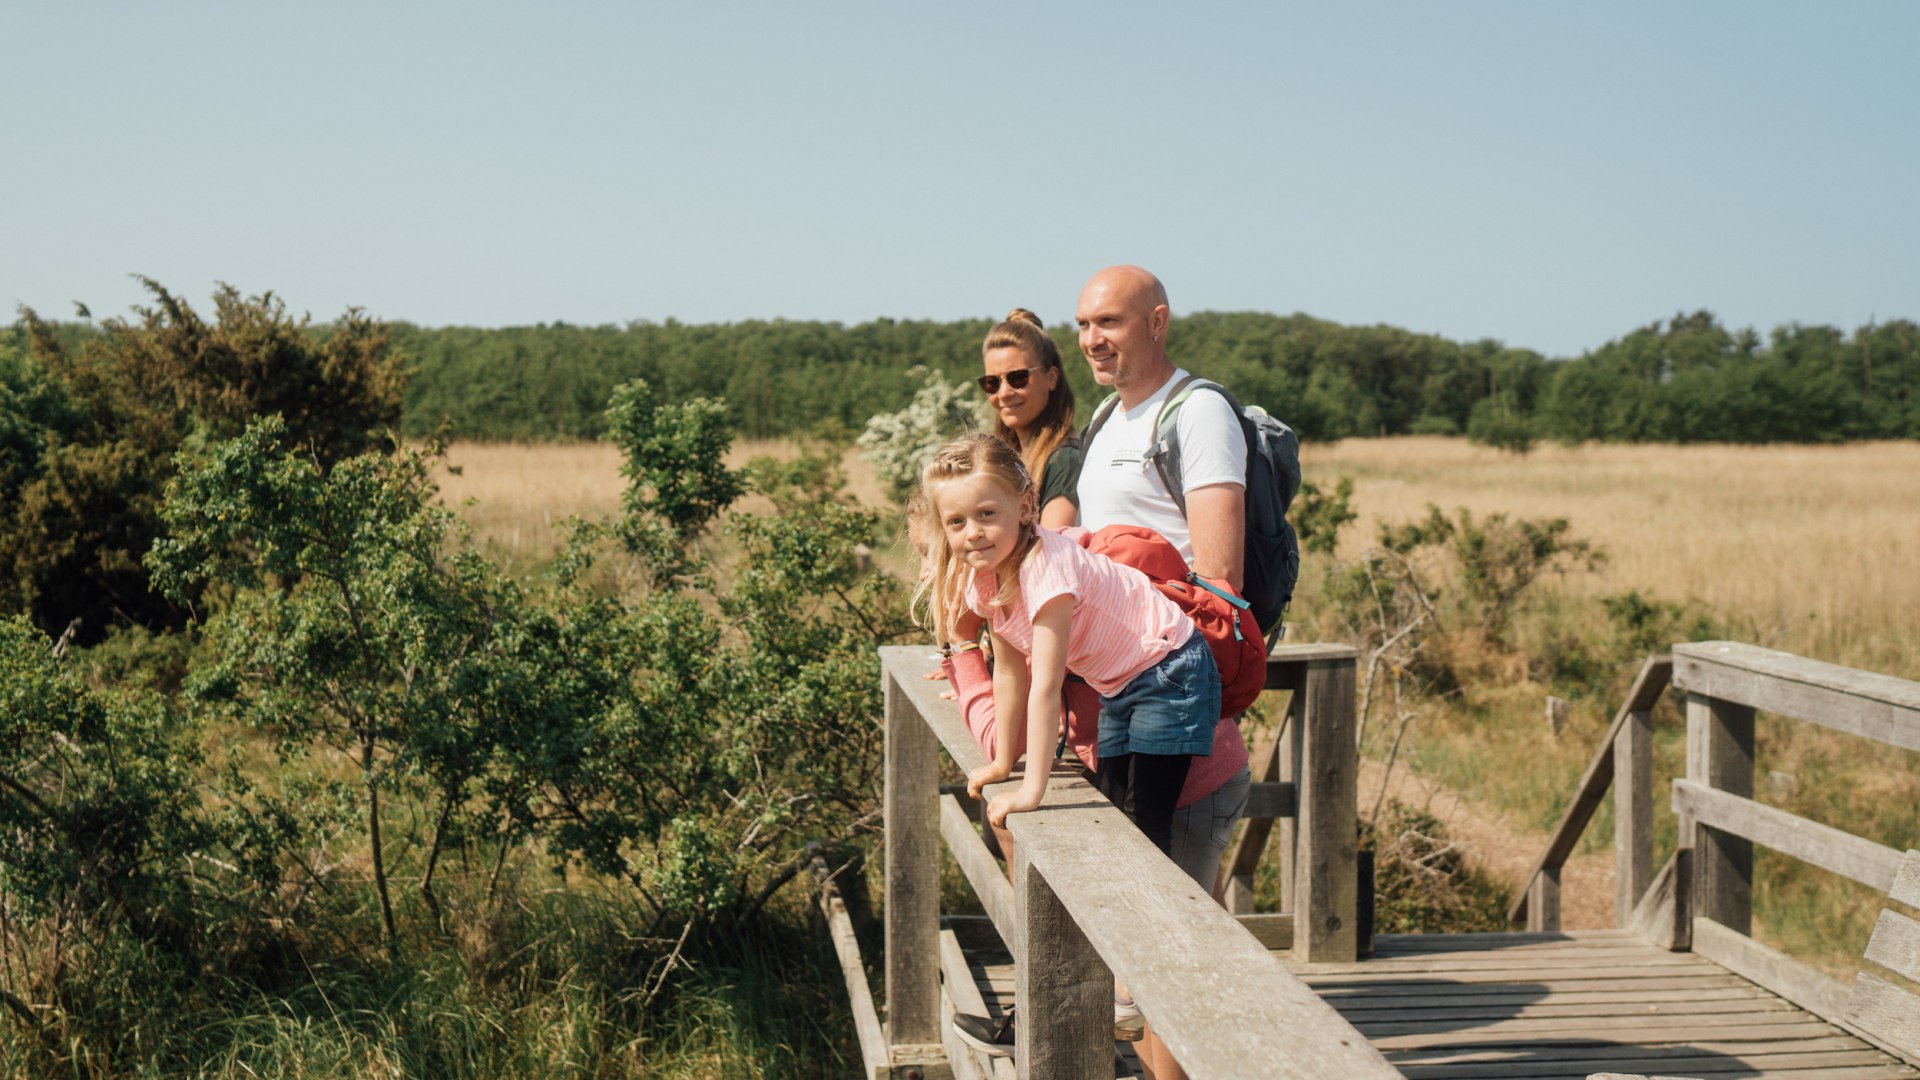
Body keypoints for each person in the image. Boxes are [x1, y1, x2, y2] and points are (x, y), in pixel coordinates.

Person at [1075, 265, 1252, 1080]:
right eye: (1082, 325)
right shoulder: (1112, 416)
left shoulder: (1199, 413)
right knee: (1175, 921)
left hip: (1175, 717)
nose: (1091, 340)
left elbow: (1220, 590)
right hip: (1121, 702)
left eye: (1109, 321)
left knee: (1168, 934)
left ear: (1158, 321)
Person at [979, 308, 1081, 529]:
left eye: (1018, 378)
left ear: (1051, 378)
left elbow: (1054, 553)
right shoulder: (1009, 459)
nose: (1004, 393)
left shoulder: (1064, 460)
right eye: (992, 383)